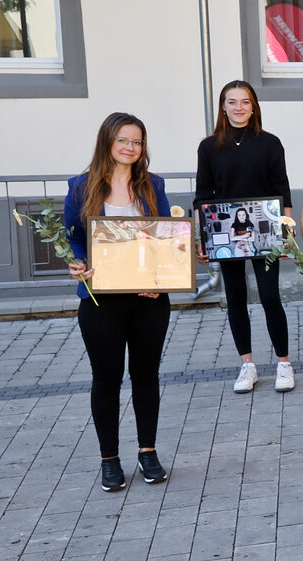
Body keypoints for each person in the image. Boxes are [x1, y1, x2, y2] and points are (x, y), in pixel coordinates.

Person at [65, 112, 173, 492]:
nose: (131, 148)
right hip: (101, 301)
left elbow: (165, 237)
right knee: (106, 380)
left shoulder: (152, 185)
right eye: (123, 140)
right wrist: (78, 263)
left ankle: (148, 452)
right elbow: (75, 237)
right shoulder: (81, 186)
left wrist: (162, 281)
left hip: (148, 299)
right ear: (107, 141)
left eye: (138, 142)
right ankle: (109, 459)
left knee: (146, 377)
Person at [195, 80, 295, 394]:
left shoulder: (270, 143)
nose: (239, 107)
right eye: (232, 101)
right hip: (225, 235)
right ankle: (247, 365)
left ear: (254, 107)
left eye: (245, 102)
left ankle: (283, 363)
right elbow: (202, 196)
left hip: (265, 234)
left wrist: (286, 233)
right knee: (235, 300)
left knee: (269, 297)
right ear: (223, 107)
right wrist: (203, 238)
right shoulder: (209, 147)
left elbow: (282, 189)